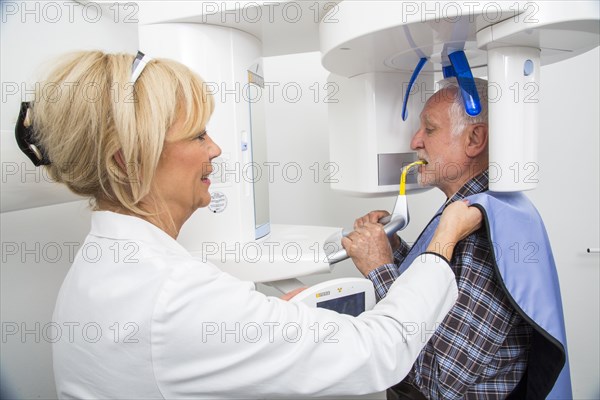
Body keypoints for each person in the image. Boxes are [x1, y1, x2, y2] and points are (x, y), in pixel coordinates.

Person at [15, 50, 485, 399]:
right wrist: (441, 242)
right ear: (129, 160)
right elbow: (380, 351)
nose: (216, 150)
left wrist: (279, 322)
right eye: (197, 135)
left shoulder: (101, 266)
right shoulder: (171, 297)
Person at [343, 78, 571, 399]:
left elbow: (435, 382)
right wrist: (393, 251)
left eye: (430, 129)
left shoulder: (484, 231)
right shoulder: (474, 204)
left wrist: (379, 268)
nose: (415, 140)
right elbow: (443, 294)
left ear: (474, 139)